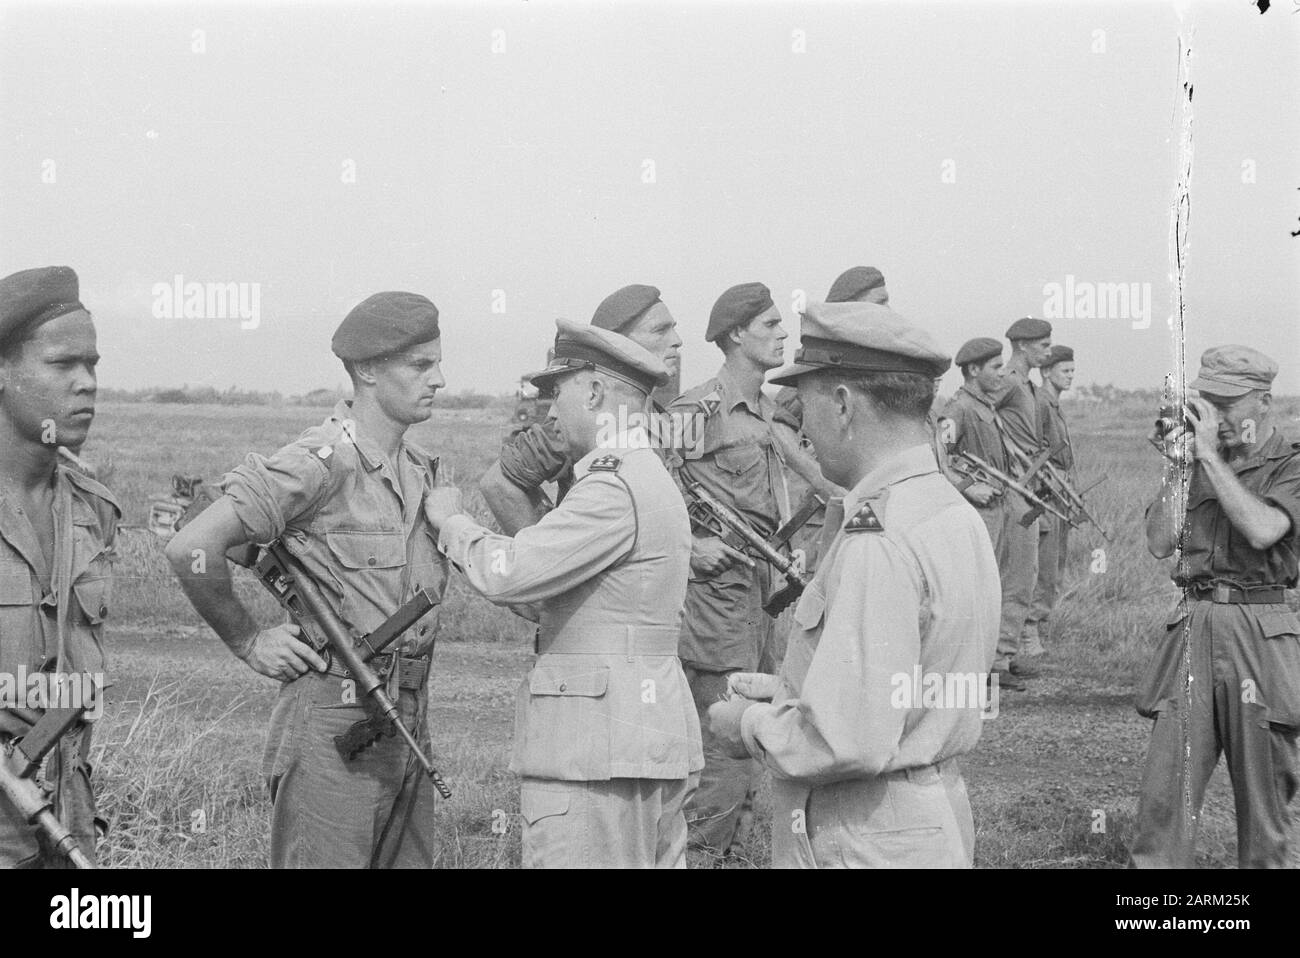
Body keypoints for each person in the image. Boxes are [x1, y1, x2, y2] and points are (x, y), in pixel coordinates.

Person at [706, 300, 999, 868]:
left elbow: (847, 740)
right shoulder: (947, 509)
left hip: (865, 831)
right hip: (926, 814)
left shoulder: (879, 537)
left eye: (805, 402)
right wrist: (796, 692)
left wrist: (745, 725)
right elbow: (909, 679)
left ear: (841, 403)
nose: (801, 425)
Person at [166, 291, 450, 868]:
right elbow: (192, 546)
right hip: (332, 720)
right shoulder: (320, 461)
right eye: (420, 366)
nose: (439, 379)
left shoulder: (421, 471)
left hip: (407, 715)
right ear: (366, 370)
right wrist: (249, 641)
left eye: (437, 363)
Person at [423, 320, 701, 868]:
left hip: (594, 753)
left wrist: (450, 522)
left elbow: (511, 572)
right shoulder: (647, 475)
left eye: (559, 392)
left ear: (595, 393)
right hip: (640, 743)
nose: (549, 412)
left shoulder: (612, 485)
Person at [1131, 345, 1300, 869]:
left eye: (1226, 403)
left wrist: (1207, 458)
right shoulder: (1200, 462)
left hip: (1261, 628)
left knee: (1264, 804)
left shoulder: (1290, 464)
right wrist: (1181, 469)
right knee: (1164, 797)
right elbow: (1161, 542)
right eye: (1207, 399)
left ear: (1264, 403)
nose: (1214, 415)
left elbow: (1263, 528)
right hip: (1195, 623)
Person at [669, 281, 806, 855]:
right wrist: (689, 547)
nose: (783, 334)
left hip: (762, 600)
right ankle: (698, 856)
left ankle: (729, 855)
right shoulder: (694, 412)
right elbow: (640, 493)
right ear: (734, 335)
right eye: (770, 325)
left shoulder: (771, 414)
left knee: (755, 739)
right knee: (719, 749)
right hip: (715, 606)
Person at [0, 266, 119, 868]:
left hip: (64, 822)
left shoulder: (92, 509)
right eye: (62, 365)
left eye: (92, 365)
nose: (86, 383)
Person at [479, 284, 683, 535]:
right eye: (660, 330)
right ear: (618, 344)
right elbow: (498, 483)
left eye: (673, 328)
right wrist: (551, 550)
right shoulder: (577, 423)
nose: (677, 341)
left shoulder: (655, 415)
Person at [940, 337, 1025, 691]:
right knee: (973, 588)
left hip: (998, 505)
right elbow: (938, 458)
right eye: (994, 367)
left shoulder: (986, 407)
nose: (1002, 373)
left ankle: (986, 664)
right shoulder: (959, 408)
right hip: (977, 510)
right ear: (973, 370)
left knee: (994, 586)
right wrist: (967, 487)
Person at [989, 316, 1053, 682]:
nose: (1047, 350)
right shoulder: (1009, 383)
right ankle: (996, 661)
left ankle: (1006, 653)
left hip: (1029, 487)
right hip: (1014, 488)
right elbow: (978, 413)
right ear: (1024, 345)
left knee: (1026, 573)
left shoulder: (1026, 385)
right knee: (1015, 574)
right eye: (1043, 345)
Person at [1026, 344, 1076, 652]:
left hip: (1061, 492)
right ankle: (1028, 631)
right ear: (1046, 372)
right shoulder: (1039, 403)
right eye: (1065, 371)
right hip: (1045, 491)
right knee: (1042, 563)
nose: (1071, 377)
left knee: (1056, 561)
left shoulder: (1054, 405)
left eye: (1072, 371)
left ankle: (1037, 627)